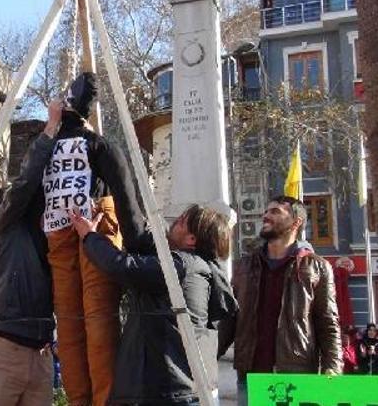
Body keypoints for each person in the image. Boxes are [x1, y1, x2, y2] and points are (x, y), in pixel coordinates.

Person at [43, 72, 150, 406]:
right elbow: (127, 199)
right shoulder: (99, 145)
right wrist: (141, 253)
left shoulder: (45, 146)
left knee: (70, 327)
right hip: (96, 230)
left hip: (58, 235)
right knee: (100, 322)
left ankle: (80, 401)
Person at [71, 204, 237, 405]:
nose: (173, 223)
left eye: (181, 221)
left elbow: (123, 267)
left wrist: (90, 236)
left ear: (192, 239)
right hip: (187, 388)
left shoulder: (181, 266)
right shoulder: (205, 272)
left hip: (167, 392)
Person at [218, 196, 342, 405]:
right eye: (266, 211)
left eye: (275, 212)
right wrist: (205, 357)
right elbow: (229, 319)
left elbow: (328, 322)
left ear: (296, 222)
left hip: (297, 377)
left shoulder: (317, 267)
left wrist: (333, 369)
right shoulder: (245, 266)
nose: (266, 216)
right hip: (251, 378)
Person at [0, 117, 58, 406]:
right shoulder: (8, 219)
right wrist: (48, 134)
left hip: (42, 354)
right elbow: (23, 186)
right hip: (5, 348)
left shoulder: (54, 234)